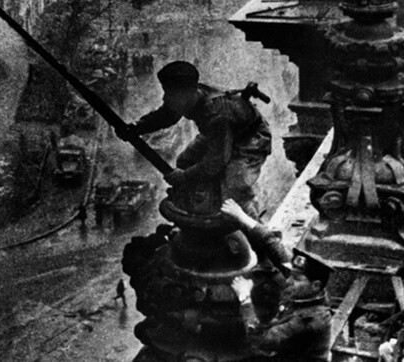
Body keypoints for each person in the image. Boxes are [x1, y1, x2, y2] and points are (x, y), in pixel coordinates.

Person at [123, 61, 271, 217]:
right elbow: (167, 115)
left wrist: (184, 177)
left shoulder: (216, 114)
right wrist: (137, 128)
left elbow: (217, 160)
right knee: (184, 162)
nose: (166, 97)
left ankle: (254, 227)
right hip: (219, 132)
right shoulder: (187, 96)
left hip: (249, 137)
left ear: (187, 92)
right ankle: (203, 203)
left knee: (235, 189)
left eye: (170, 93)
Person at [231, 251, 333, 361]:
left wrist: (245, 298)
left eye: (296, 279)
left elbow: (260, 341)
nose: (289, 281)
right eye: (290, 275)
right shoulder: (311, 296)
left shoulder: (309, 320)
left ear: (316, 285)